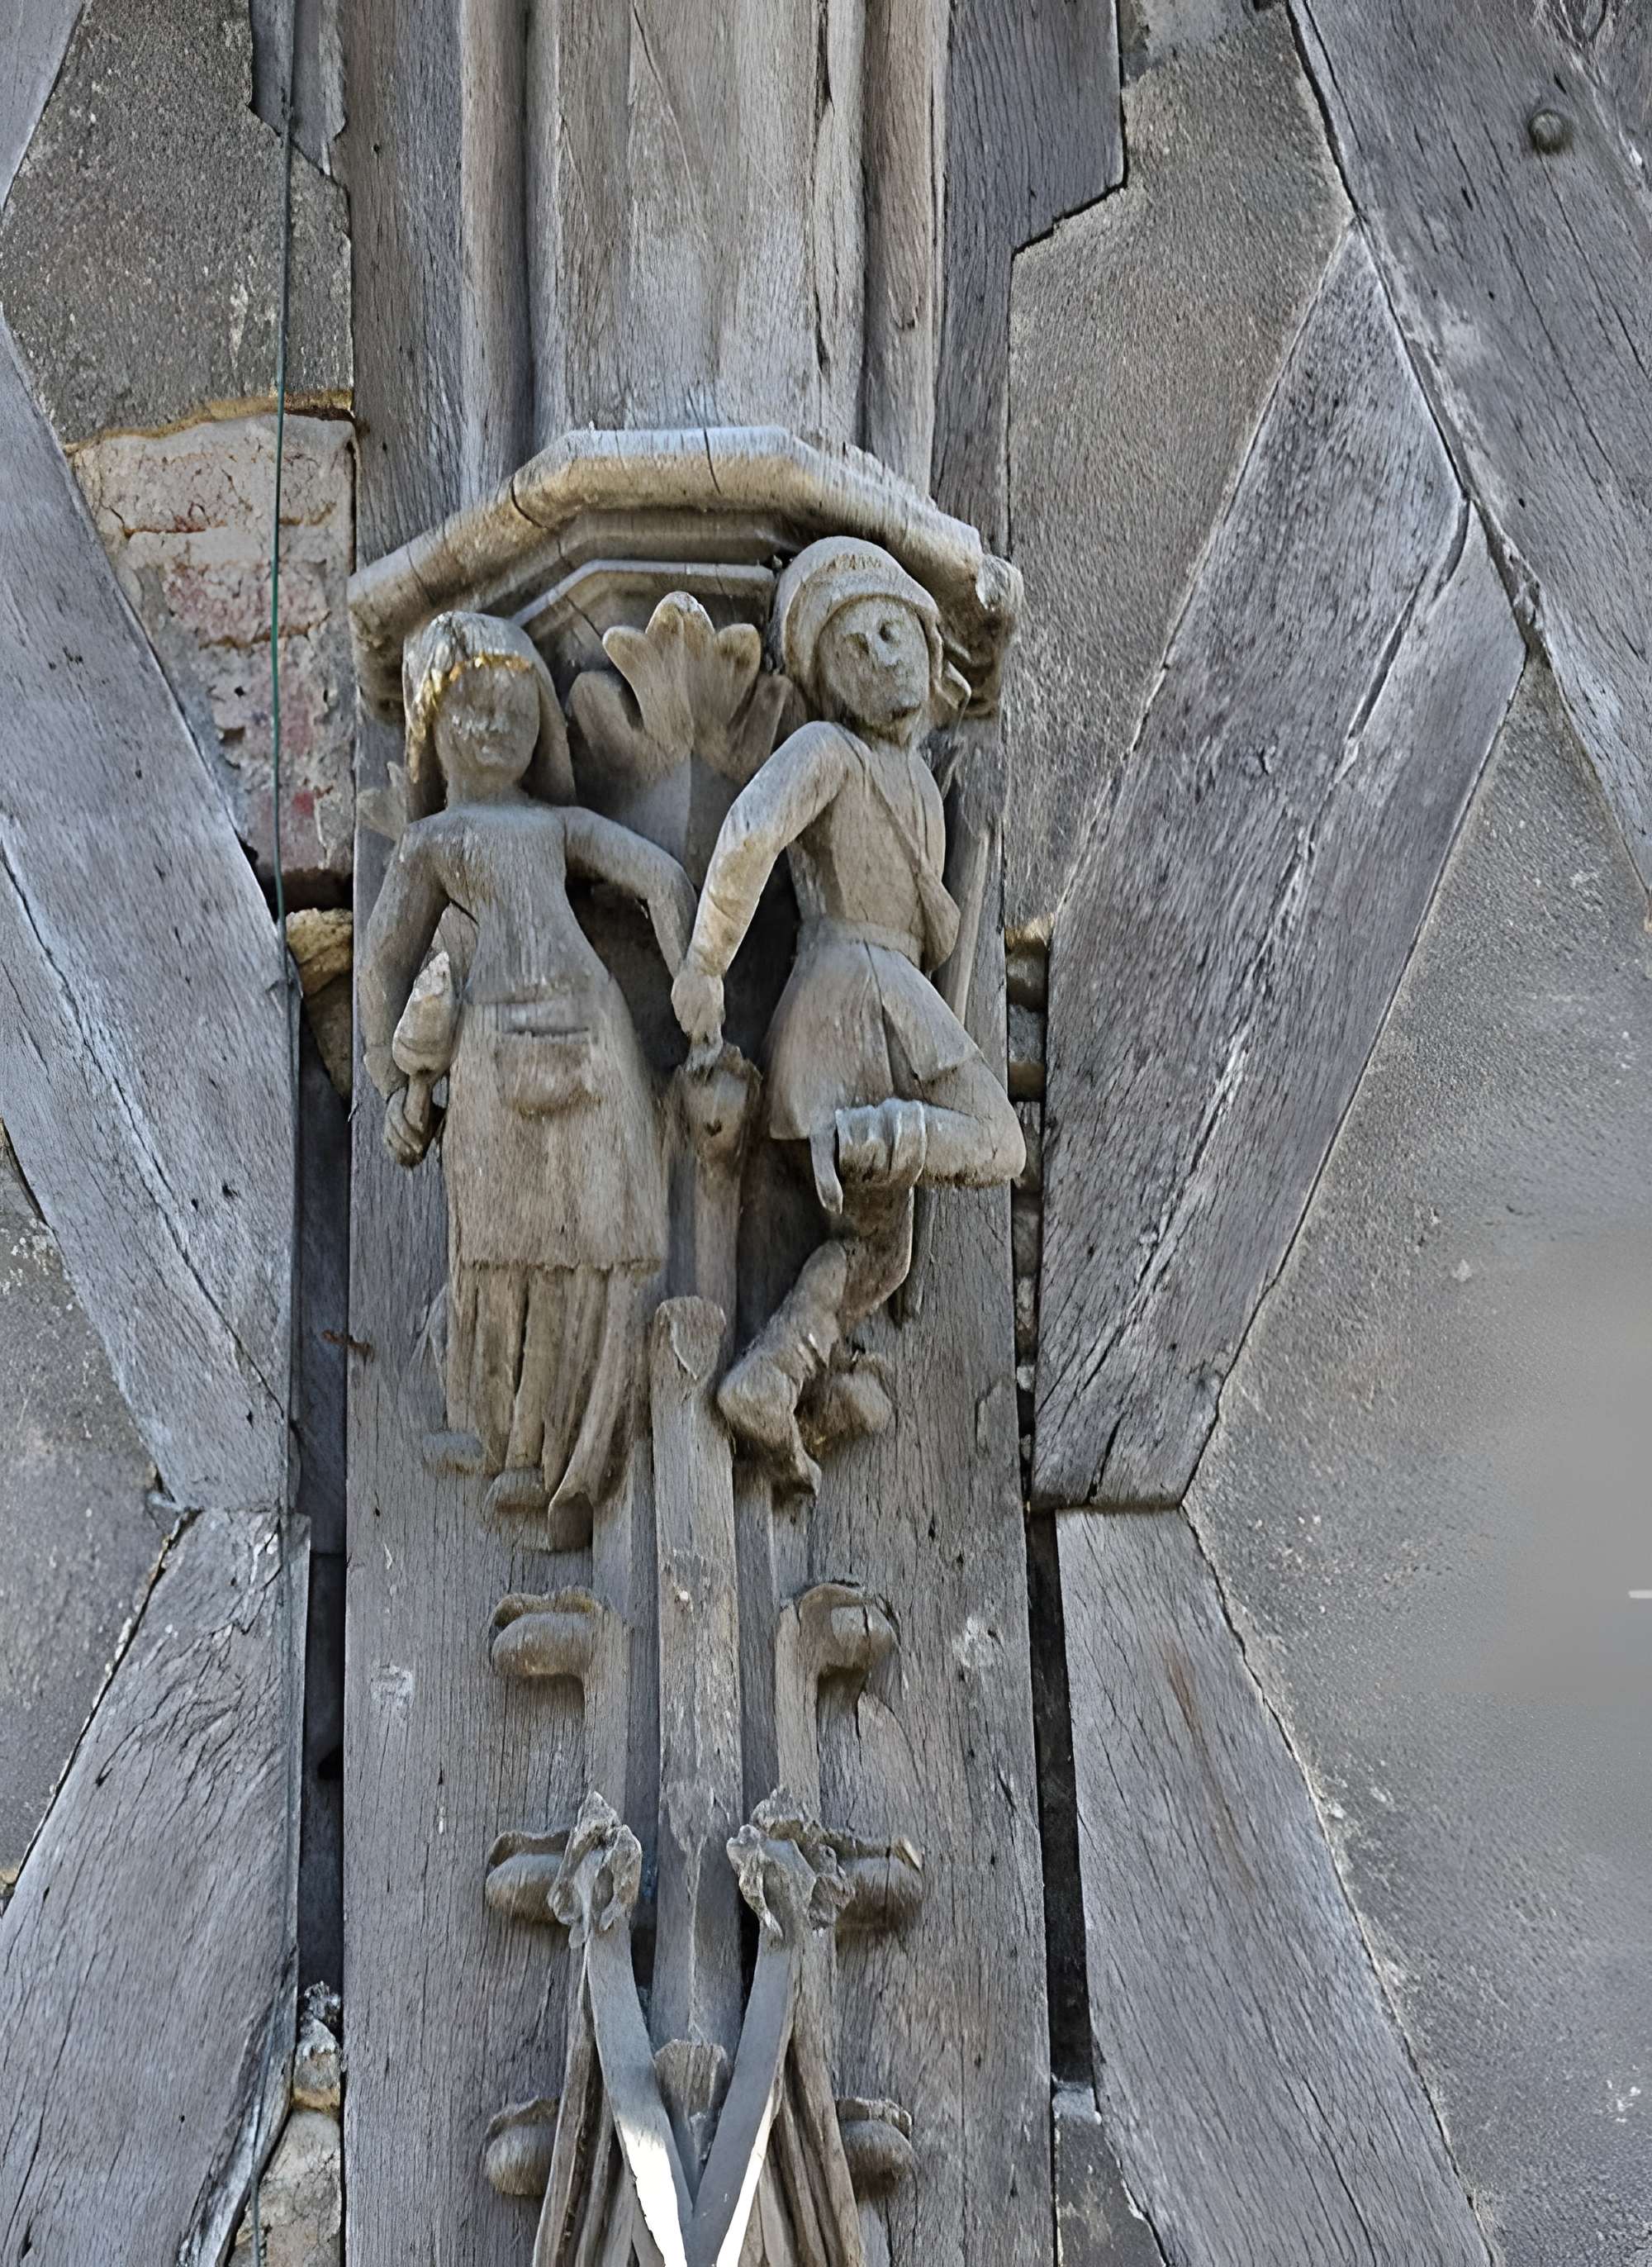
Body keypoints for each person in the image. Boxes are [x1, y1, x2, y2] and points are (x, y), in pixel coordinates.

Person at [671, 538, 1024, 1493]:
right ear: (824, 686)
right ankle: (885, 1134)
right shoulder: (828, 751)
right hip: (850, 992)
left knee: (879, 1249)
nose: (880, 655)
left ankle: (779, 1375)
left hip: (891, 991)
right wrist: (705, 961)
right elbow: (750, 831)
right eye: (850, 649)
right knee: (996, 1142)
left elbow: (939, 932)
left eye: (891, 630)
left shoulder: (919, 778)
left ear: (925, 634)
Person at [360, 610, 695, 1533]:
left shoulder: (556, 825)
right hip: (491, 1040)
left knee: (608, 1232)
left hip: (589, 1034)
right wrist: (397, 1082)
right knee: (500, 1240)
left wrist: (696, 983)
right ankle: (510, 1441)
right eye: (472, 705)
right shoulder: (435, 843)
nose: (497, 725)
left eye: (516, 707)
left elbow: (660, 878)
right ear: (430, 725)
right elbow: (383, 960)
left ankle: (588, 1446)